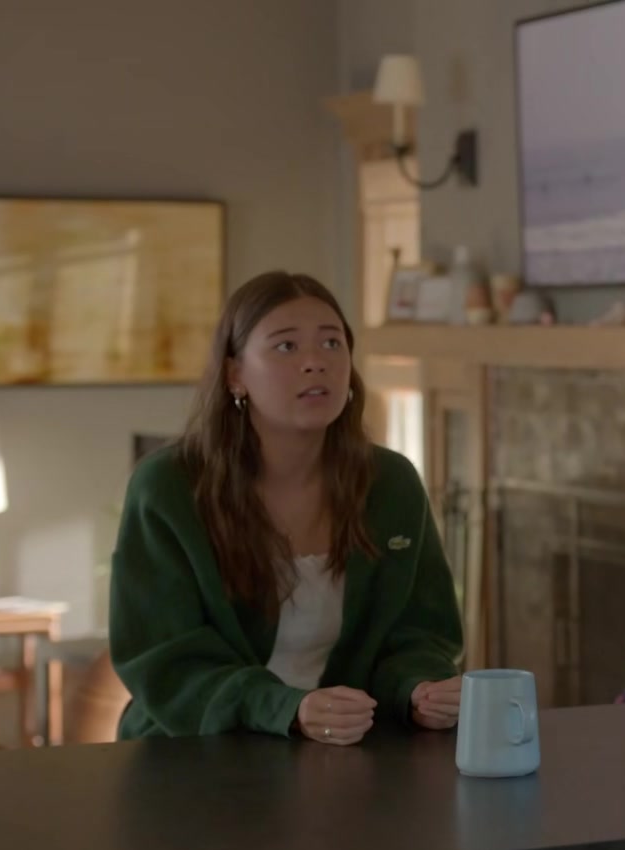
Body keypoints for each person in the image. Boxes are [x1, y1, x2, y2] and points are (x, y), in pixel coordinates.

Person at [111, 271, 464, 745]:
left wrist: (419, 689)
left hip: (349, 749)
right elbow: (166, 660)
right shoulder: (169, 487)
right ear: (235, 374)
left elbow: (419, 632)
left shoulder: (390, 482)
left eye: (332, 343)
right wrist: (288, 708)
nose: (315, 362)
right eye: (286, 346)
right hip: (195, 752)